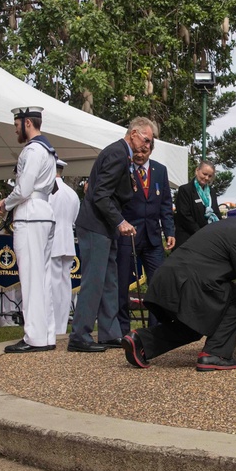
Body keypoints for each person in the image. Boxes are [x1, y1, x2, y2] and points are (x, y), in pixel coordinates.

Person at [121, 202, 236, 371]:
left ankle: (140, 342)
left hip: (166, 284)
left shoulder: (224, 226)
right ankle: (216, 354)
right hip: (188, 285)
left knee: (193, 328)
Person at [69, 117, 154, 352]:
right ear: (134, 133)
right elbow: (100, 195)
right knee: (94, 282)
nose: (147, 145)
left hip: (104, 228)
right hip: (97, 226)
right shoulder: (118, 153)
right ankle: (79, 336)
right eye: (146, 139)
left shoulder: (122, 155)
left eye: (150, 142)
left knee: (109, 282)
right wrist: (120, 221)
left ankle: (109, 333)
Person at [0, 106, 58, 353]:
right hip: (43, 213)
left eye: (16, 124)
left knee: (31, 279)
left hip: (31, 215)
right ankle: (47, 334)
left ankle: (34, 337)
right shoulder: (49, 150)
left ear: (28, 123)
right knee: (43, 279)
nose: (15, 129)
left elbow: (23, 189)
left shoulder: (33, 150)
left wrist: (4, 203)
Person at [116, 140, 175, 334]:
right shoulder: (124, 168)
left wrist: (169, 232)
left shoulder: (160, 170)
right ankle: (122, 329)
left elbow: (166, 204)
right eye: (137, 150)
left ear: (151, 150)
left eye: (144, 150)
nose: (140, 154)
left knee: (157, 283)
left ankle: (155, 330)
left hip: (153, 237)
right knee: (122, 283)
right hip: (128, 235)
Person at [49, 159, 80, 333]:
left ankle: (53, 325)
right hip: (67, 241)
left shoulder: (48, 192)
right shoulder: (72, 193)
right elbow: (74, 218)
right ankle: (61, 326)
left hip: (53, 241)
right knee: (65, 284)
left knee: (53, 284)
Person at [174, 161, 220, 247]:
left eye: (210, 176)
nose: (206, 178)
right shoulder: (185, 190)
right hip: (187, 238)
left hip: (207, 238)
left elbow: (216, 212)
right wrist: (200, 233)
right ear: (197, 171)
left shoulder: (212, 192)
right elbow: (184, 215)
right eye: (204, 174)